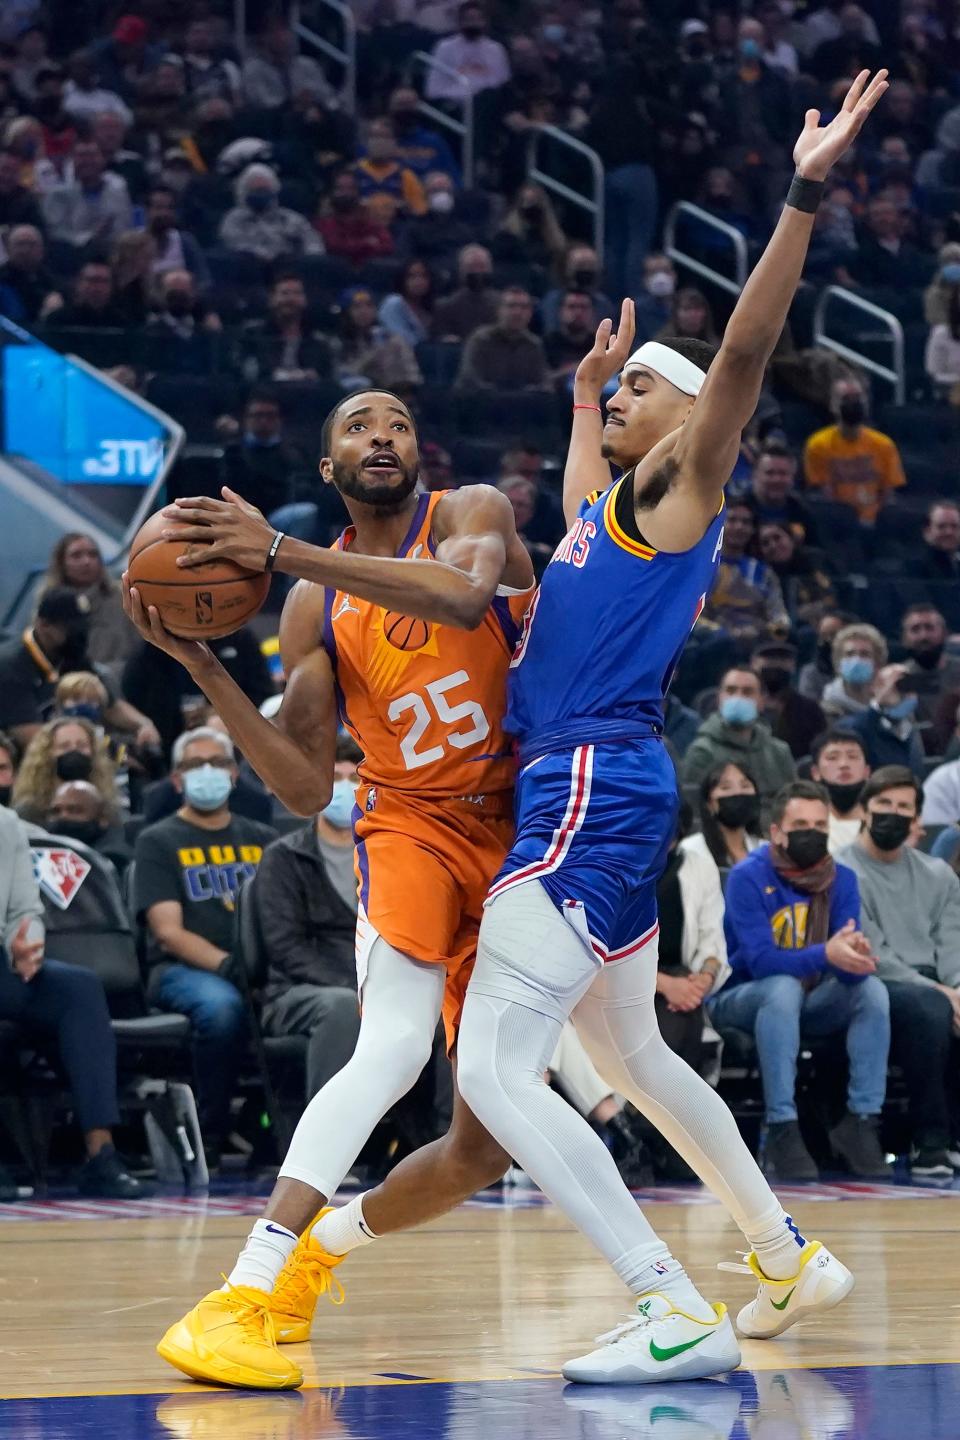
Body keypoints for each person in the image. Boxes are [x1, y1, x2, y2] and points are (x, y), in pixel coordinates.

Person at [447, 77, 886, 1381]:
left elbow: (741, 358)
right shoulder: (614, 517)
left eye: (640, 385)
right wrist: (585, 396)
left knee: (494, 1072)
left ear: (689, 420)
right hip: (600, 789)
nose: (622, 396)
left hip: (589, 783)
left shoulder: (691, 479)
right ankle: (783, 1251)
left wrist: (803, 192)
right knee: (629, 1050)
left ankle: (668, 1302)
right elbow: (585, 498)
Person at [126, 386, 535, 1389]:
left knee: (484, 1147)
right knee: (391, 1044)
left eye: (395, 421)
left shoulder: (473, 513)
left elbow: (459, 599)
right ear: (330, 468)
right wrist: (201, 666)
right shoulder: (314, 604)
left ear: (419, 450)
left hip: (528, 829)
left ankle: (318, 1257)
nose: (381, 435)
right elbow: (308, 785)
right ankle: (247, 1281)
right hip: (411, 825)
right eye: (357, 425)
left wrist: (276, 552)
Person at [708, 780, 891, 1181]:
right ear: (776, 832)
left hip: (809, 999)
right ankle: (782, 1124)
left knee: (871, 990)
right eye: (801, 824)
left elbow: (841, 964)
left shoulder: (842, 878)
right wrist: (827, 953)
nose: (813, 833)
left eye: (820, 826)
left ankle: (862, 1120)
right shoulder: (747, 877)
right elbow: (758, 962)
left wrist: (853, 956)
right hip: (739, 997)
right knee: (781, 987)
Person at [135, 727, 277, 1164]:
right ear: (176, 780)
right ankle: (211, 1131)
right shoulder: (157, 840)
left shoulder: (264, 839)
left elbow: (278, 917)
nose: (208, 773)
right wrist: (231, 968)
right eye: (196, 766)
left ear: (235, 775)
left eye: (217, 763)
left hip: (260, 966)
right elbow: (167, 931)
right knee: (223, 1008)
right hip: (183, 970)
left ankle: (272, 1127)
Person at [0, 805, 148, 1197]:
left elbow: (24, 908)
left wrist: (26, 942)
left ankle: (100, 1154)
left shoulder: (6, 824)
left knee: (78, 989)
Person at [841, 767, 960, 1178]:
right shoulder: (843, 872)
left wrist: (957, 989)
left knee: (944, 1006)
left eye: (903, 807)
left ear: (916, 820)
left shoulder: (938, 874)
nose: (893, 814)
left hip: (937, 979)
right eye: (884, 805)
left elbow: (951, 941)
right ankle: (931, 1142)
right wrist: (942, 993)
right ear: (864, 809)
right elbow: (873, 951)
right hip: (877, 981)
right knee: (930, 1008)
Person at [257, 737, 363, 1102]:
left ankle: (446, 1145)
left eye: (356, 777)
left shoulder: (389, 857)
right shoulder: (284, 858)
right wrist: (354, 986)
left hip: (377, 986)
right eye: (336, 776)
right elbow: (285, 946)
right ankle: (327, 1149)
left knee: (446, 1015)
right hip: (297, 990)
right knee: (343, 1008)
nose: (346, 787)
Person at [681, 667, 796, 806]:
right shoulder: (701, 751)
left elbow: (793, 800)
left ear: (762, 701)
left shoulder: (779, 752)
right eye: (731, 690)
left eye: (747, 692)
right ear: (719, 698)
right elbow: (693, 806)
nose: (738, 697)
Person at [803, 374, 906, 526]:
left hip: (877, 525)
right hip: (838, 525)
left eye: (857, 397)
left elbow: (888, 493)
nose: (852, 403)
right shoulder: (817, 445)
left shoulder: (884, 444)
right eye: (845, 398)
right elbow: (825, 495)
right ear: (833, 404)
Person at [41, 532, 138, 683]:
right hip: (63, 684)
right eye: (76, 556)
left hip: (117, 683)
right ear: (62, 563)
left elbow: (137, 653)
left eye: (93, 555)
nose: (86, 561)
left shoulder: (123, 598)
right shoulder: (50, 603)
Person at [698, 500, 790, 651]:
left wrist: (775, 629)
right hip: (711, 646)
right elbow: (691, 616)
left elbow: (778, 613)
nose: (739, 527)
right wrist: (721, 633)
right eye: (732, 520)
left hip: (758, 644)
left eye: (746, 522)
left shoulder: (763, 572)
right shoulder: (702, 567)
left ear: (753, 530)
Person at [12, 715, 118, 826]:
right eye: (64, 746)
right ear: (47, 754)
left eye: (81, 745)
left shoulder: (107, 808)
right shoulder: (29, 811)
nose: (74, 751)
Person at [238, 274, 335, 385]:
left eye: (297, 293)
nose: (291, 299)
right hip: (266, 393)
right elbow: (249, 372)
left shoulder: (318, 340)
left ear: (305, 300)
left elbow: (327, 376)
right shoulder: (252, 335)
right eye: (285, 293)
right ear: (272, 299)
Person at [219, 163, 323, 264]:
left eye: (264, 190)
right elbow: (234, 244)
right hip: (251, 269)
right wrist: (266, 257)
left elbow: (313, 243)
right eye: (255, 190)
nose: (260, 194)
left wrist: (309, 259)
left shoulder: (290, 218)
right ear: (244, 192)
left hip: (291, 270)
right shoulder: (233, 219)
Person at [454, 286, 549, 391]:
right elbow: (471, 381)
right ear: (499, 310)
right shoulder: (481, 340)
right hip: (483, 403)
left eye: (524, 307)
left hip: (522, 404)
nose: (517, 312)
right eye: (511, 306)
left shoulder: (534, 345)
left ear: (530, 313)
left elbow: (542, 383)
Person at [41, 138, 132, 249]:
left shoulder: (119, 192)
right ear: (72, 161)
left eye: (92, 156)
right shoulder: (57, 195)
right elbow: (55, 232)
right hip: (73, 255)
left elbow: (125, 227)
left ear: (103, 160)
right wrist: (89, 237)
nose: (87, 161)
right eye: (81, 156)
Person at [334, 286, 423, 394]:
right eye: (357, 307)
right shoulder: (337, 342)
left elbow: (411, 372)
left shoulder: (390, 338)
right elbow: (345, 375)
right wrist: (374, 352)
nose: (364, 311)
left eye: (369, 306)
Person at [899, 604, 960, 753]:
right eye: (915, 629)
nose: (923, 636)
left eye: (929, 628)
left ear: (944, 633)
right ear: (904, 637)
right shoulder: (898, 678)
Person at [751, 641, 826, 760]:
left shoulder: (809, 710)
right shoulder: (742, 705)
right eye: (769, 659)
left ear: (793, 666)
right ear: (754, 663)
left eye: (783, 660)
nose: (776, 664)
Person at [683, 761, 764, 871]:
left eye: (745, 786)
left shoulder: (766, 850)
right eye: (726, 788)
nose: (737, 793)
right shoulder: (690, 851)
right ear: (709, 804)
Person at [241, 20, 334, 113]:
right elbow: (261, 102)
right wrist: (294, 102)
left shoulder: (307, 64)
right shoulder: (254, 69)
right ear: (263, 37)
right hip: (273, 121)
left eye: (284, 31)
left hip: (311, 117)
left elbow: (327, 94)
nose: (280, 37)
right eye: (274, 32)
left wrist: (311, 95)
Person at [350, 117, 427, 229]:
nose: (380, 142)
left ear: (394, 142)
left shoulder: (405, 175)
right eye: (375, 137)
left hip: (397, 233)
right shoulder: (353, 172)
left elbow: (420, 211)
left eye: (385, 137)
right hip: (360, 232)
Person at [425, 2, 510, 102]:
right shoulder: (445, 47)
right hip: (454, 102)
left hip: (488, 102)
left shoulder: (496, 49)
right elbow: (433, 88)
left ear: (485, 21)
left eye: (477, 19)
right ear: (459, 22)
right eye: (469, 19)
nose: (473, 24)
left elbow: (502, 82)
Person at [757, 522, 837, 627]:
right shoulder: (762, 575)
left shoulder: (816, 560)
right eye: (765, 543)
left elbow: (836, 595)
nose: (773, 545)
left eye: (777, 538)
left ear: (791, 539)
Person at [45, 779, 131, 875]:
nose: (63, 816)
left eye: (74, 810)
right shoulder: (43, 851)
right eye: (56, 811)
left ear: (102, 818)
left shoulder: (113, 858)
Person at [315, 168, 394, 267]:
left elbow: (387, 246)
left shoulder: (369, 220)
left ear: (358, 192)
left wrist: (352, 246)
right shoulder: (324, 223)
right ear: (332, 192)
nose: (346, 193)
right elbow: (333, 246)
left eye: (350, 188)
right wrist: (367, 243)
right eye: (340, 189)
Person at [745, 441, 819, 547]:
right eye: (770, 473)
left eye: (782, 473)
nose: (776, 479)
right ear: (755, 475)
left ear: (793, 478)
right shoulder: (736, 513)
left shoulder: (803, 513)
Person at [810, 728, 871, 854]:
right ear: (815, 772)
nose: (843, 764)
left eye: (853, 757)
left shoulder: (879, 823)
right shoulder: (806, 823)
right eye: (832, 758)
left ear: (867, 771)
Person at [144, 183, 210, 291]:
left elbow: (203, 280)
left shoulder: (185, 241)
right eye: (158, 208)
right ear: (147, 210)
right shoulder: (134, 243)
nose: (164, 213)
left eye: (169, 208)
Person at [430, 243, 500, 341]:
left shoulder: (503, 304)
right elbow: (438, 335)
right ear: (461, 270)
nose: (477, 272)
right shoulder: (445, 307)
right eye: (472, 267)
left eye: (482, 266)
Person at [821, 621, 888, 721]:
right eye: (849, 654)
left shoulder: (889, 705)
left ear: (877, 663)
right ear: (838, 663)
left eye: (865, 654)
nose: (857, 660)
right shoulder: (825, 712)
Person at [0, 224, 62, 325]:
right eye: (20, 244)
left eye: (31, 244)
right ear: (8, 248)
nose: (25, 250)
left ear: (42, 249)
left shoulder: (53, 282)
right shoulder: (2, 281)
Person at [45, 260, 126, 330]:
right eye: (93, 280)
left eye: (104, 281)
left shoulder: (122, 324)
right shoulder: (57, 322)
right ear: (79, 283)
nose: (98, 287)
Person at [378, 258, 434, 348]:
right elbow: (402, 340)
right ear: (402, 279)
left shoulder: (428, 309)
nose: (418, 281)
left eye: (423, 276)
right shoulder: (393, 304)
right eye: (412, 276)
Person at [632, 253, 677, 344]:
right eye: (653, 272)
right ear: (644, 279)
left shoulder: (685, 305)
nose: (660, 278)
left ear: (674, 275)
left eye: (665, 271)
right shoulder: (635, 309)